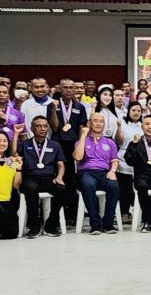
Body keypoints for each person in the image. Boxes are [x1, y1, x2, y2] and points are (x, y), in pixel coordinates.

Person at [19, 116, 66, 238]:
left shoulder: (55, 145)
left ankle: (51, 224)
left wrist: (59, 177)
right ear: (32, 128)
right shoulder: (25, 144)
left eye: (45, 126)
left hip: (49, 179)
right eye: (39, 126)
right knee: (31, 189)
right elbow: (14, 155)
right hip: (30, 179)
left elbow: (61, 165)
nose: (43, 129)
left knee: (61, 189)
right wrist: (15, 135)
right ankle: (34, 226)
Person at [73, 113, 121, 235]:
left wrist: (112, 171)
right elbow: (78, 157)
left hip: (105, 172)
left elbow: (115, 161)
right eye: (95, 121)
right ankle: (95, 224)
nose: (99, 124)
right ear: (89, 123)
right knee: (88, 185)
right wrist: (83, 135)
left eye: (101, 121)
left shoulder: (110, 142)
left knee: (114, 186)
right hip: (86, 173)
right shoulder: (81, 141)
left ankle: (108, 224)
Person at [55, 78, 88, 224]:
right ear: (59, 88)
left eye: (71, 87)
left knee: (71, 180)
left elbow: (82, 127)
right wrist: (52, 110)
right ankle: (57, 214)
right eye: (65, 87)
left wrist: (80, 145)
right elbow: (53, 126)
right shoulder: (53, 105)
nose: (68, 90)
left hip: (73, 146)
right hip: (57, 145)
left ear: (75, 89)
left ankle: (72, 214)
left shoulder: (80, 107)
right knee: (58, 178)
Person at [114, 101, 143, 222]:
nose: (136, 113)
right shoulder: (122, 124)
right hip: (123, 158)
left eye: (139, 111)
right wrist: (119, 126)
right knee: (124, 188)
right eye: (133, 110)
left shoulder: (143, 125)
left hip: (140, 159)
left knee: (140, 186)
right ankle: (124, 212)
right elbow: (119, 141)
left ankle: (142, 211)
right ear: (128, 111)